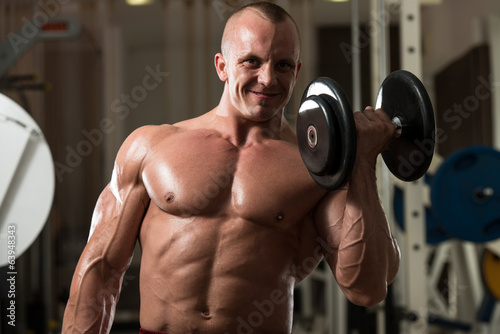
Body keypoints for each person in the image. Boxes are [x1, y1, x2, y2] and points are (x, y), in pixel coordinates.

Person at [62, 2, 400, 333]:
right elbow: (101, 269)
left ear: (296, 71)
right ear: (222, 66)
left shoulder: (317, 167)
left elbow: (366, 289)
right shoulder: (151, 147)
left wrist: (362, 164)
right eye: (252, 61)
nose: (267, 79)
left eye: (282, 65)